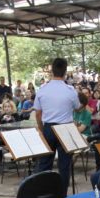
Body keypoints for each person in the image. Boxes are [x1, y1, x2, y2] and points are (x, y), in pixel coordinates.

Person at [34, 57, 81, 190]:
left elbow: (38, 113)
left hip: (48, 127)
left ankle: (44, 193)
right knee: (64, 165)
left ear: (51, 71)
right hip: (66, 128)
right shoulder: (70, 90)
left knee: (45, 163)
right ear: (65, 71)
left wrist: (42, 129)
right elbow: (77, 107)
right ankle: (62, 195)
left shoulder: (42, 89)